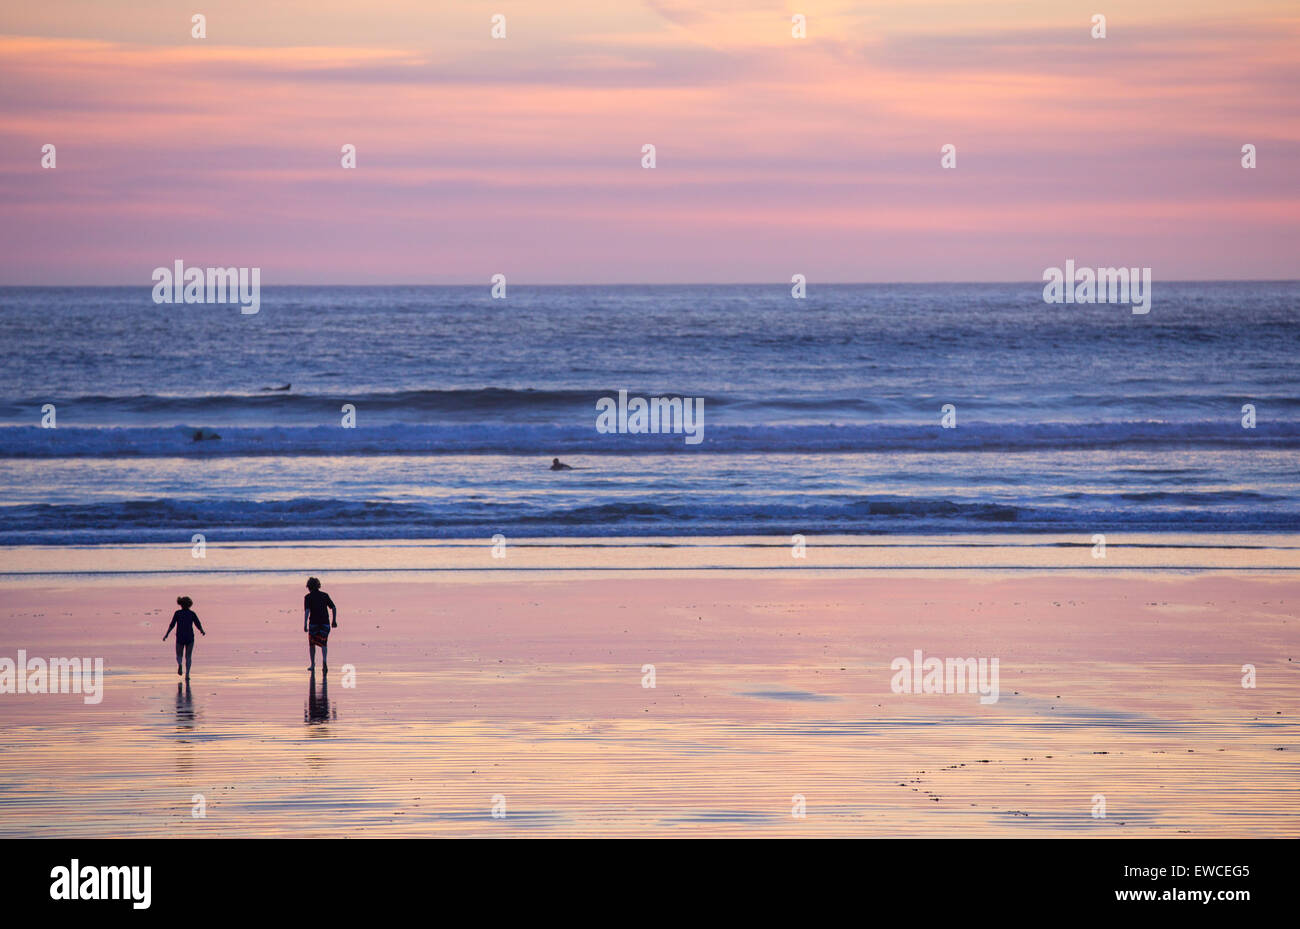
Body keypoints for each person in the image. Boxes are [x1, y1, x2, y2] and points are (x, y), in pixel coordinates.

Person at [162, 595, 205, 677]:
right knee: (188, 656)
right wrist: (201, 630)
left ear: (181, 604)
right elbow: (197, 624)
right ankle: (187, 674)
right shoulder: (192, 614)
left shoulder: (177, 613)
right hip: (190, 637)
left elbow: (172, 625)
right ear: (190, 604)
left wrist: (166, 634)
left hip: (180, 637)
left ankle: (180, 664)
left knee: (179, 655)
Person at [303, 577, 338, 672]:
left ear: (309, 587)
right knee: (324, 643)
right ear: (318, 585)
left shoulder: (308, 597)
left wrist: (305, 624)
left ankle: (312, 665)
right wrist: (334, 621)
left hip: (313, 624)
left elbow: (307, 611)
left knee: (312, 644)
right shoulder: (325, 595)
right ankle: (324, 661)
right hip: (325, 624)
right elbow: (334, 607)